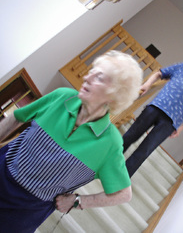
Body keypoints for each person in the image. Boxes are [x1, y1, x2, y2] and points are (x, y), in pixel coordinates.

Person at [0, 50, 143, 233]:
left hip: (25, 210)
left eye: (98, 77)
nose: (86, 78)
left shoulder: (110, 142)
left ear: (114, 95)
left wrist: (78, 201)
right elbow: (16, 117)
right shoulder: (61, 97)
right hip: (3, 169)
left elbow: (123, 194)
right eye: (90, 72)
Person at [123, 48, 183, 177]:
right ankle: (108, 162)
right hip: (156, 107)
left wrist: (181, 128)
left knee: (145, 150)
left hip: (170, 123)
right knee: (130, 135)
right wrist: (147, 84)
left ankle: (120, 179)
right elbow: (159, 73)